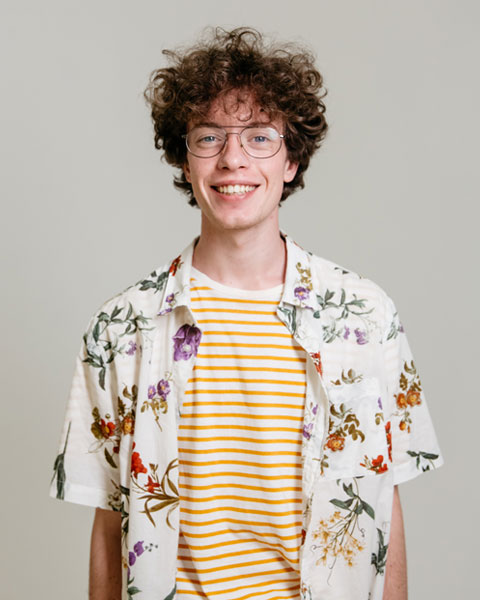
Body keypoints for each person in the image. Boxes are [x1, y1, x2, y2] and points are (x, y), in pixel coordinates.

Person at [50, 27, 443, 600]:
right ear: (184, 159)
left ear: (291, 160)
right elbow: (111, 525)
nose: (233, 159)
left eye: (260, 137)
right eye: (209, 137)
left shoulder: (365, 316)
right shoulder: (120, 328)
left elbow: (384, 508)